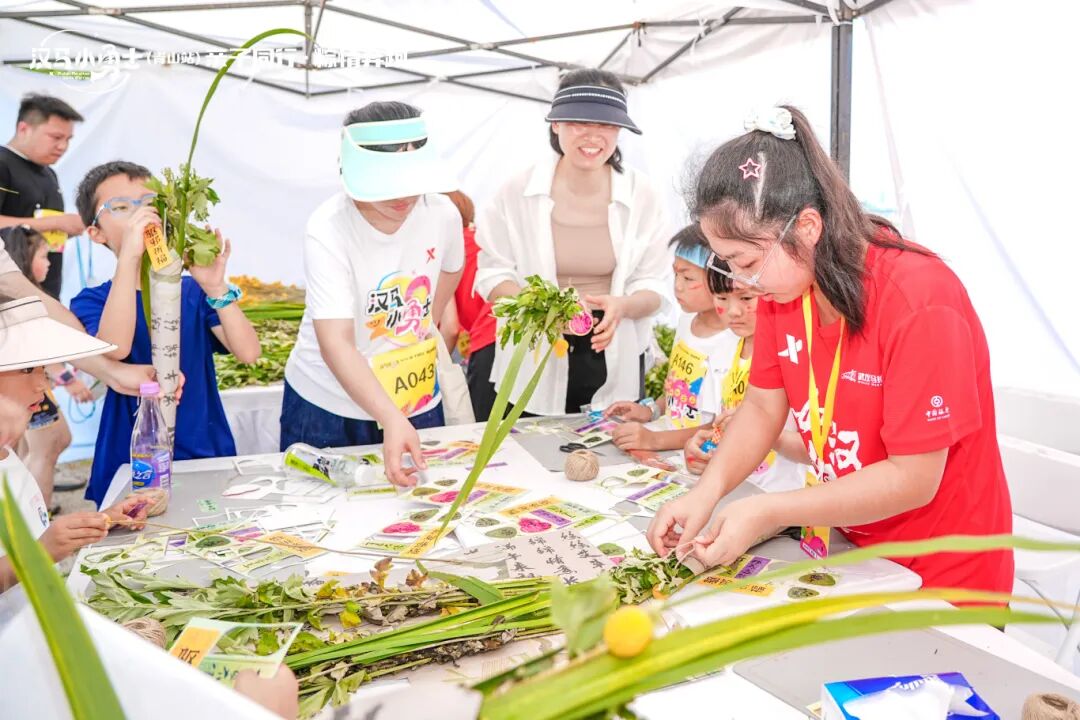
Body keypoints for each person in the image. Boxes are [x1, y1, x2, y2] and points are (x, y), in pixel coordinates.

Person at [648, 106, 1013, 597]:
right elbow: (762, 407)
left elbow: (913, 478)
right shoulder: (785, 289)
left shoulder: (920, 300)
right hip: (852, 550)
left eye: (746, 261)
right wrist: (706, 492)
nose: (741, 280)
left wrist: (768, 510)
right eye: (728, 263)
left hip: (944, 572)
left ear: (807, 227)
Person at [281, 102, 462, 486]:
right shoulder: (328, 228)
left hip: (413, 393)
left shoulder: (443, 213)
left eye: (412, 180)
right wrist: (391, 418)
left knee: (423, 504)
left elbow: (451, 267)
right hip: (328, 402)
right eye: (386, 183)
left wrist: (422, 323)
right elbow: (336, 343)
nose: (403, 196)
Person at [475, 68, 670, 416]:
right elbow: (493, 273)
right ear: (555, 124)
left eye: (607, 124)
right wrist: (544, 312)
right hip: (535, 347)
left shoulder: (644, 195)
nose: (593, 136)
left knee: (610, 441)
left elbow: (654, 283)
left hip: (612, 342)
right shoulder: (516, 192)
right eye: (579, 122)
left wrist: (623, 306)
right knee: (532, 437)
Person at [71, 161, 260, 507]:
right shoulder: (91, 300)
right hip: (132, 457)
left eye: (149, 203)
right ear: (96, 233)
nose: (140, 214)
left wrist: (215, 287)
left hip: (204, 447)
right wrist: (129, 257)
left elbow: (249, 353)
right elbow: (116, 347)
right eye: (121, 207)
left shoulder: (190, 291)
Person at [0, 295, 150, 595]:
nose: (43, 385)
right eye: (27, 370)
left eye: (43, 369)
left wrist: (98, 521)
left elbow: (26, 534)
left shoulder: (8, 454)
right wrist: (42, 551)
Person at [603, 225, 739, 451]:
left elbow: (721, 426)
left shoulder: (735, 341)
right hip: (669, 446)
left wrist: (655, 440)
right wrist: (650, 410)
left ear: (721, 279)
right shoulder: (687, 321)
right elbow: (679, 390)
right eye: (676, 275)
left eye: (688, 278)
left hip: (701, 455)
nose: (677, 286)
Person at [681, 258, 805, 491]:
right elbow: (718, 424)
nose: (734, 311)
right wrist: (703, 447)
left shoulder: (795, 357)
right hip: (735, 490)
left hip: (780, 497)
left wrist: (763, 432)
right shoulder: (722, 350)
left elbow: (817, 452)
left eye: (746, 298)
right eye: (722, 298)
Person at [0, 225, 93, 503]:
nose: (50, 263)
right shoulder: (21, 305)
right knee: (49, 444)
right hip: (30, 393)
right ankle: (36, 515)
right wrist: (68, 380)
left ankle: (29, 514)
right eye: (43, 256)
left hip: (30, 392)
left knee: (28, 449)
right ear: (24, 259)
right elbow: (36, 352)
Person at [0, 94, 87, 299]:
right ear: (24, 129)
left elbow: (35, 229)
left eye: (68, 139)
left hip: (47, 291)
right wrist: (56, 222)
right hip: (9, 295)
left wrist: (66, 229)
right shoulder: (3, 164)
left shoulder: (49, 174)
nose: (63, 146)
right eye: (56, 137)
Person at [439, 190, 499, 421]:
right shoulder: (483, 241)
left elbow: (450, 327)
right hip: (523, 335)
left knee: (483, 431)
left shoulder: (442, 250)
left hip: (490, 342)